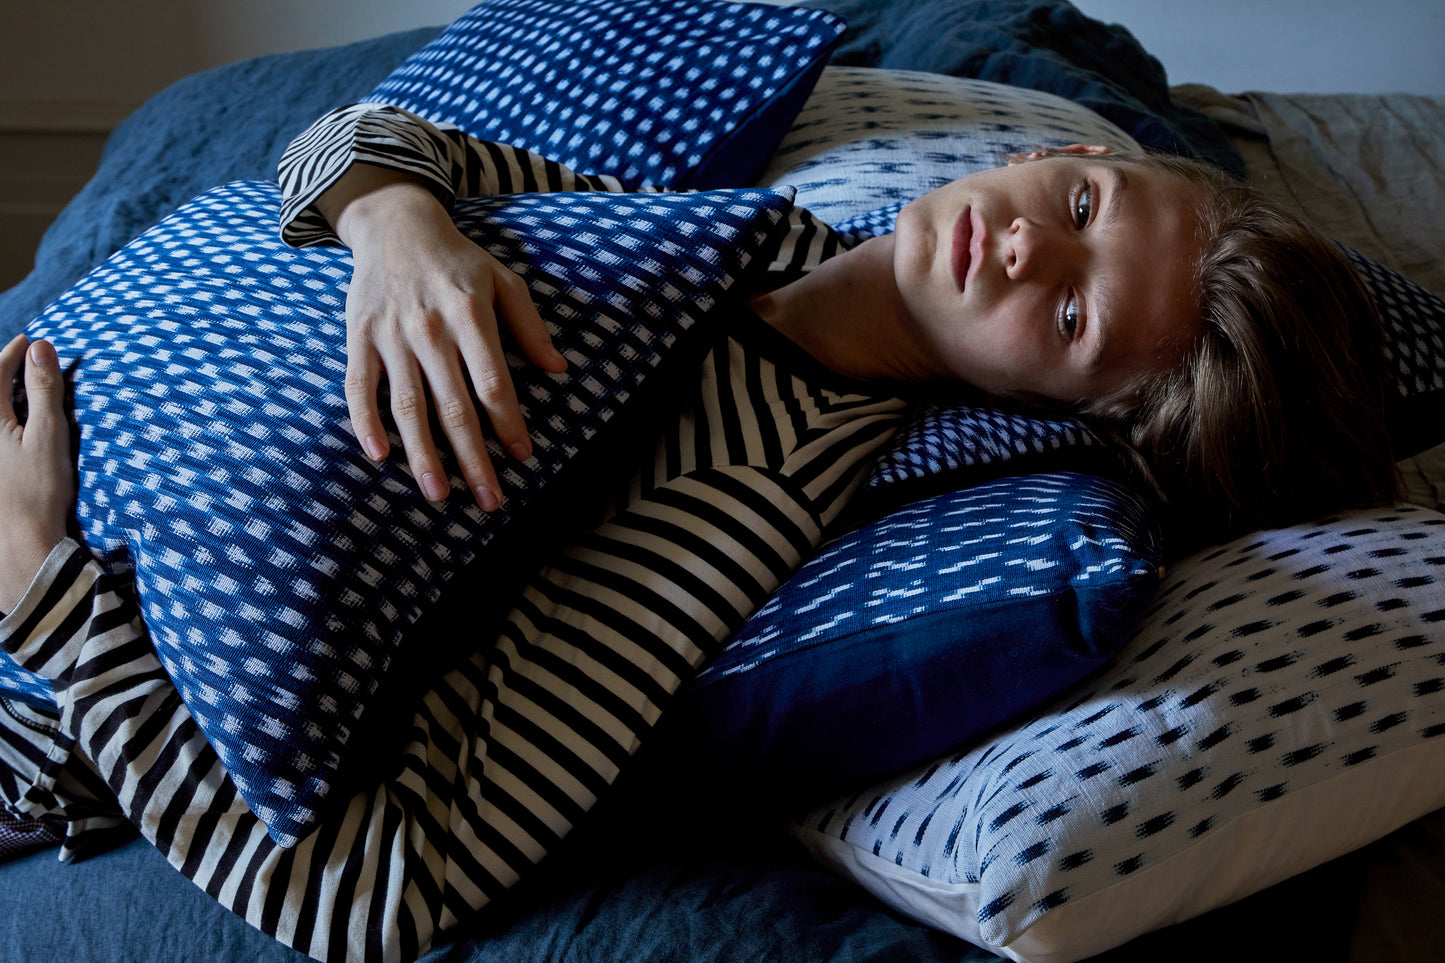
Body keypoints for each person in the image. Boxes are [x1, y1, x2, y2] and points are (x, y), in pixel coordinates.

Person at [0, 102, 1397, 962]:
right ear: (1061, 153)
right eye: (1080, 209)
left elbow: (381, 891)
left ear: (1072, 404)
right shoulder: (738, 240)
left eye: (1076, 317)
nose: (1028, 250)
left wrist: (45, 594)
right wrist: (401, 232)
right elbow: (338, 143)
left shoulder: (748, 488)